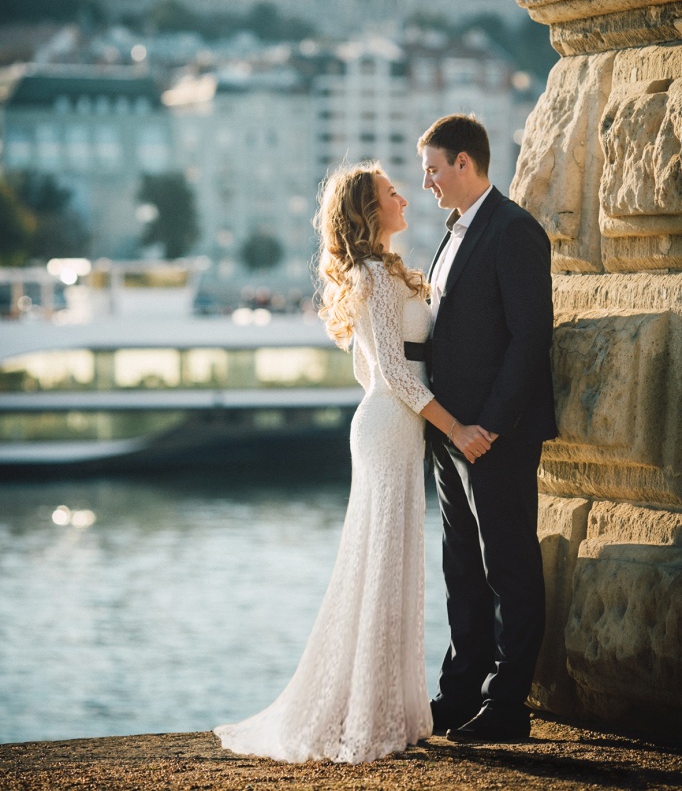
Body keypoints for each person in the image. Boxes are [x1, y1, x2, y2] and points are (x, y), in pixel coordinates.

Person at [214, 162, 483, 764]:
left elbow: (370, 371)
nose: (404, 197)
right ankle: (369, 718)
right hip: (391, 427)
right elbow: (394, 376)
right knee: (383, 566)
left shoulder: (378, 272)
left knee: (387, 564)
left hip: (389, 425)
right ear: (369, 209)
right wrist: (456, 428)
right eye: (392, 192)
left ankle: (382, 710)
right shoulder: (374, 276)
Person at [418, 114, 557, 743]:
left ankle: (507, 706)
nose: (427, 183)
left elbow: (530, 339)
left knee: (508, 566)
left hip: (496, 437)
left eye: (433, 169)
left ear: (464, 162)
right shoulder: (453, 233)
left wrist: (490, 427)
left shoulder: (514, 229)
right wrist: (451, 430)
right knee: (462, 570)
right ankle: (459, 693)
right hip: (452, 439)